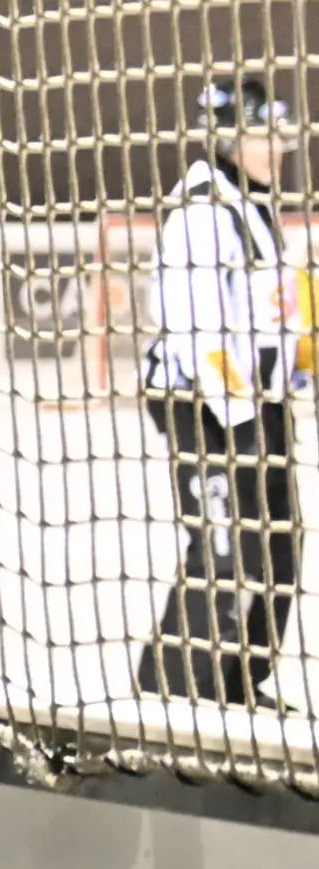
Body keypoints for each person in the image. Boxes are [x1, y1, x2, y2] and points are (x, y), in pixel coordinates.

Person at [138, 77, 309, 710]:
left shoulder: (251, 205)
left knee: (279, 543)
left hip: (255, 405)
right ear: (231, 139)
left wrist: (295, 374)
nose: (279, 147)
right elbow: (197, 327)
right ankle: (174, 691)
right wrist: (239, 415)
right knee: (227, 547)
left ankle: (238, 682)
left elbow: (264, 315)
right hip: (206, 406)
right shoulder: (205, 211)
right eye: (266, 134)